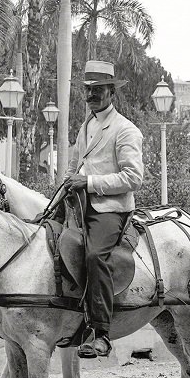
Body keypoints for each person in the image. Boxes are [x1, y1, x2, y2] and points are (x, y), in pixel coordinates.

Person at [63, 60, 144, 359]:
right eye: (87, 90)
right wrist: (67, 184)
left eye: (98, 90)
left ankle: (101, 332)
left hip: (110, 208)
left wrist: (89, 182)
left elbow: (133, 178)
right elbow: (75, 164)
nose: (91, 96)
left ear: (112, 92)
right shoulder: (88, 125)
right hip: (81, 202)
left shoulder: (125, 130)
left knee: (95, 256)